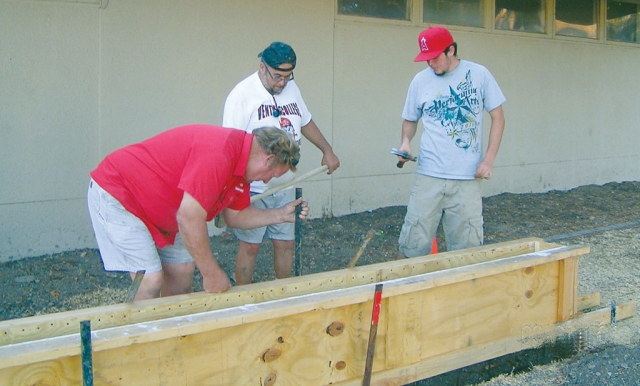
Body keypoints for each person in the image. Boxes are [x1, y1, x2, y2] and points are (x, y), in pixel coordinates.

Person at [87, 124, 308, 300]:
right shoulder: (219, 153)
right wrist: (211, 273)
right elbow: (189, 217)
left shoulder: (241, 170)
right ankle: (132, 342)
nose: (267, 180)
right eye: (271, 174)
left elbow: (235, 216)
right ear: (268, 158)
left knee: (182, 272)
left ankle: (171, 338)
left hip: (163, 211)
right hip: (120, 194)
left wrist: (280, 215)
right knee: (150, 281)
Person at [223, 41, 340, 285]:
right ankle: (243, 300)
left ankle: (283, 294)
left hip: (287, 184)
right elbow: (230, 146)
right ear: (262, 67)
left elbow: (305, 121)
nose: (282, 83)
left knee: (285, 243)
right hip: (254, 187)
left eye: (288, 76)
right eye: (277, 76)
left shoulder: (291, 89)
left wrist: (327, 150)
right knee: (250, 245)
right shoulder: (241, 95)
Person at [395, 26, 506, 258]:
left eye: (435, 58)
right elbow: (410, 119)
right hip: (429, 176)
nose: (430, 64)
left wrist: (489, 159)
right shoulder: (419, 81)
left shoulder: (479, 75)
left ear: (451, 50)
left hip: (467, 179)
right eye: (426, 59)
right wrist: (406, 142)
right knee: (413, 245)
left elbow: (498, 117)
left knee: (467, 252)